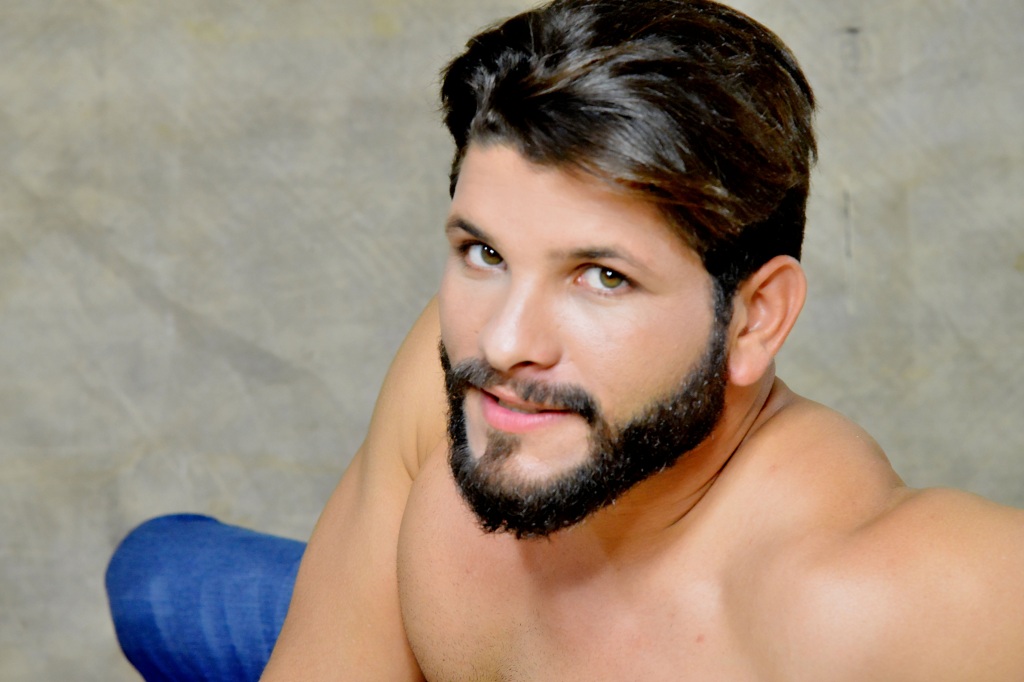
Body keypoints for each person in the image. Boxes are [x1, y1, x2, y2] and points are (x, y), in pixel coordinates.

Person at [107, 0, 1024, 680]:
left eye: (602, 277)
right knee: (157, 578)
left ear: (755, 318)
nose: (504, 343)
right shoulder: (460, 368)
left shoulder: (865, 594)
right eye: (485, 253)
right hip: (425, 633)